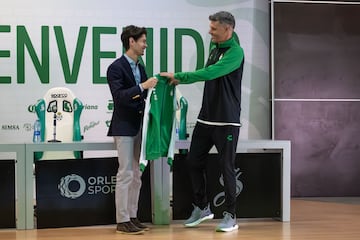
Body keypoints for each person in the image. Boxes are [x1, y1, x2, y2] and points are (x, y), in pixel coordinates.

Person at [161, 11, 244, 232]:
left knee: (226, 168)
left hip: (226, 121)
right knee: (192, 162)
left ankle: (231, 216)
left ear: (228, 29)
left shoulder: (236, 53)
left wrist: (181, 76)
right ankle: (202, 207)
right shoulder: (215, 48)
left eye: (214, 29)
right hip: (205, 118)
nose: (210, 32)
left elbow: (210, 74)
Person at [107, 25, 158, 235]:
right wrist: (142, 87)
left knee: (137, 174)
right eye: (143, 41)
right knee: (125, 173)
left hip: (140, 127)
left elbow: (144, 98)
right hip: (124, 126)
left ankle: (133, 216)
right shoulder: (116, 68)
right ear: (131, 41)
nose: (145, 45)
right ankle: (122, 219)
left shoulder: (140, 66)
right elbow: (119, 97)